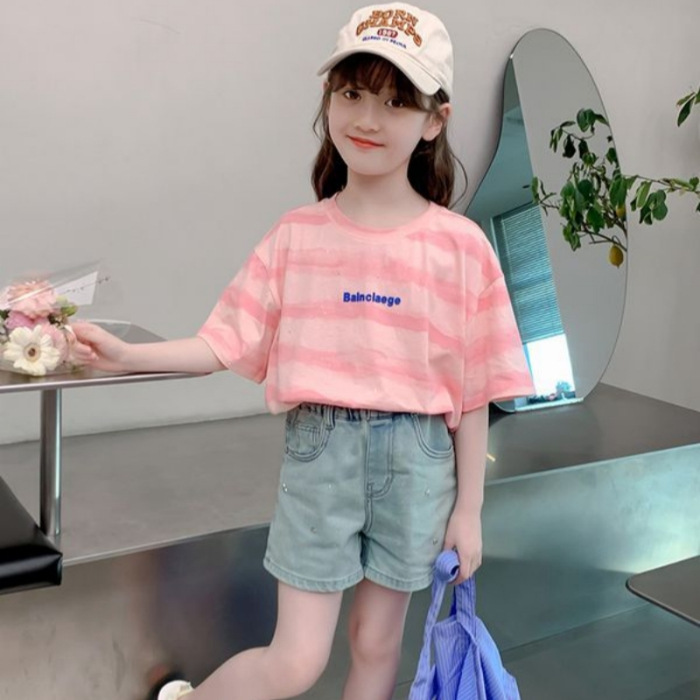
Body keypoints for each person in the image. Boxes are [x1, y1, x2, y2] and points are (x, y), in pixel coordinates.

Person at [73, 4, 535, 699]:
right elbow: (222, 341)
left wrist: (468, 510)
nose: (367, 119)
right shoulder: (296, 237)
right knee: (296, 661)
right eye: (352, 93)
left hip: (419, 465)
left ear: (435, 120)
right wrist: (126, 356)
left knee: (376, 646)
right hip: (322, 457)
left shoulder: (461, 248)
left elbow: (474, 391)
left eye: (395, 101)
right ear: (328, 98)